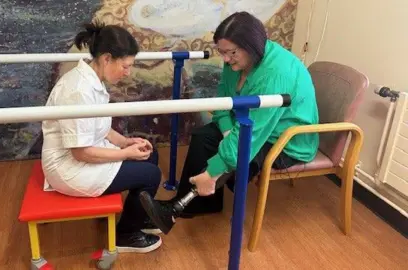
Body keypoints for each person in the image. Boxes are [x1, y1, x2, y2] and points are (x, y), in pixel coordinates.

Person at [139, 11, 320, 234]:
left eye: (231, 53)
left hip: (286, 140)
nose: (225, 59)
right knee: (205, 136)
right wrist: (225, 132)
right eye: (221, 52)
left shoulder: (276, 73)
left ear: (251, 46)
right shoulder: (235, 61)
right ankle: (201, 204)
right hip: (254, 125)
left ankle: (178, 207)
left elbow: (251, 136)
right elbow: (223, 100)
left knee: (239, 156)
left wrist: (214, 169)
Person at [41, 20, 163, 253]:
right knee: (150, 175)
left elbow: (101, 127)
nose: (128, 73)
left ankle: (139, 216)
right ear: (107, 58)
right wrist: (125, 153)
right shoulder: (78, 91)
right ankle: (126, 235)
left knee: (150, 154)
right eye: (125, 66)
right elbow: (80, 152)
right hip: (70, 168)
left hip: (86, 152)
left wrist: (126, 142)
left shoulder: (92, 81)